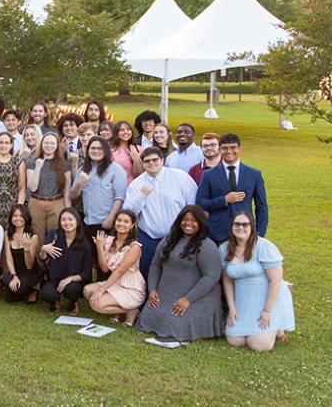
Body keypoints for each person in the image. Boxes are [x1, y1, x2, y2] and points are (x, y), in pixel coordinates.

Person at [137, 205, 224, 342]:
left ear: (200, 223)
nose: (188, 223)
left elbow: (211, 277)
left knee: (176, 323)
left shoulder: (206, 246)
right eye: (185, 219)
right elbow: (156, 265)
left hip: (197, 296)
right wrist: (152, 289)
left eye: (193, 221)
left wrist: (187, 299)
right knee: (149, 317)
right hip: (167, 293)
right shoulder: (168, 240)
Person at [221, 211, 295, 352]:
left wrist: (267, 311)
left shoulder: (264, 246)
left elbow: (276, 280)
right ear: (231, 226)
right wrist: (232, 308)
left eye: (245, 224)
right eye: (237, 224)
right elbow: (227, 280)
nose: (240, 228)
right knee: (235, 341)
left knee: (259, 346)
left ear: (252, 227)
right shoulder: (225, 249)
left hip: (267, 300)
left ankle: (278, 327)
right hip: (243, 303)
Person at [123, 147, 197, 283]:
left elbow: (192, 204)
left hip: (178, 235)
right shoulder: (137, 184)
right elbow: (129, 213)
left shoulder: (180, 177)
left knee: (178, 272)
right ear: (142, 163)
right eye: (147, 161)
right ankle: (147, 300)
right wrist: (142, 195)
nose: (151, 163)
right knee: (148, 271)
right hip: (149, 237)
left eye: (155, 160)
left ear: (162, 160)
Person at [196, 133, 268, 243]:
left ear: (240, 149)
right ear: (220, 149)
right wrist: (224, 200)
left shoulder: (254, 174)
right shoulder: (208, 175)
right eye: (225, 148)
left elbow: (261, 206)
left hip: (245, 232)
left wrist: (259, 234)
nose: (229, 151)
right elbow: (200, 202)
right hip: (217, 234)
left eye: (233, 147)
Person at [83, 210, 146, 326]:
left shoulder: (135, 247)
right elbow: (105, 269)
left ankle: (131, 311)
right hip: (115, 283)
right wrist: (99, 247)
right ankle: (119, 312)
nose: (121, 224)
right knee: (87, 290)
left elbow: (120, 271)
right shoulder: (109, 241)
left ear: (132, 225)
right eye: (119, 220)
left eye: (126, 222)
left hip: (131, 287)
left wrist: (101, 291)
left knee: (96, 304)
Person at [38, 208, 93, 314]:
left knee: (72, 290)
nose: (67, 223)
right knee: (47, 294)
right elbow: (42, 258)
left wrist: (70, 279)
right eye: (63, 220)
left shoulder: (85, 244)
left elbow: (87, 273)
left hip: (73, 281)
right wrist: (43, 249)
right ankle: (55, 301)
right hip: (54, 278)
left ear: (77, 221)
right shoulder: (54, 235)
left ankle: (73, 301)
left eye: (70, 219)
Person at [70, 137, 127, 239]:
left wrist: (110, 219)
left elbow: (120, 197)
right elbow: (73, 195)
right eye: (93, 148)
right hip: (87, 222)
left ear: (106, 150)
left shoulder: (116, 170)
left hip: (106, 223)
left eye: (100, 148)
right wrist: (80, 182)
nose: (96, 151)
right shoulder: (83, 169)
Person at [20, 132, 71, 240]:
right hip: (36, 203)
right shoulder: (33, 162)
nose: (49, 146)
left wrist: (68, 209)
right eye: (46, 143)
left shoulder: (63, 163)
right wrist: (38, 167)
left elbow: (67, 190)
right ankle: (39, 257)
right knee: (37, 237)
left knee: (55, 237)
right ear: (41, 144)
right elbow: (32, 187)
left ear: (57, 145)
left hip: (56, 203)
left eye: (52, 143)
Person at [0, 204, 42, 304]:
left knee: (16, 291)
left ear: (26, 218)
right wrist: (14, 276)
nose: (18, 219)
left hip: (30, 273)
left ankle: (33, 289)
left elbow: (29, 265)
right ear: (11, 218)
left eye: (21, 216)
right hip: (16, 272)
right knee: (6, 286)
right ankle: (20, 290)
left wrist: (26, 249)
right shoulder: (7, 234)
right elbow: (9, 258)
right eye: (15, 216)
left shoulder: (33, 237)